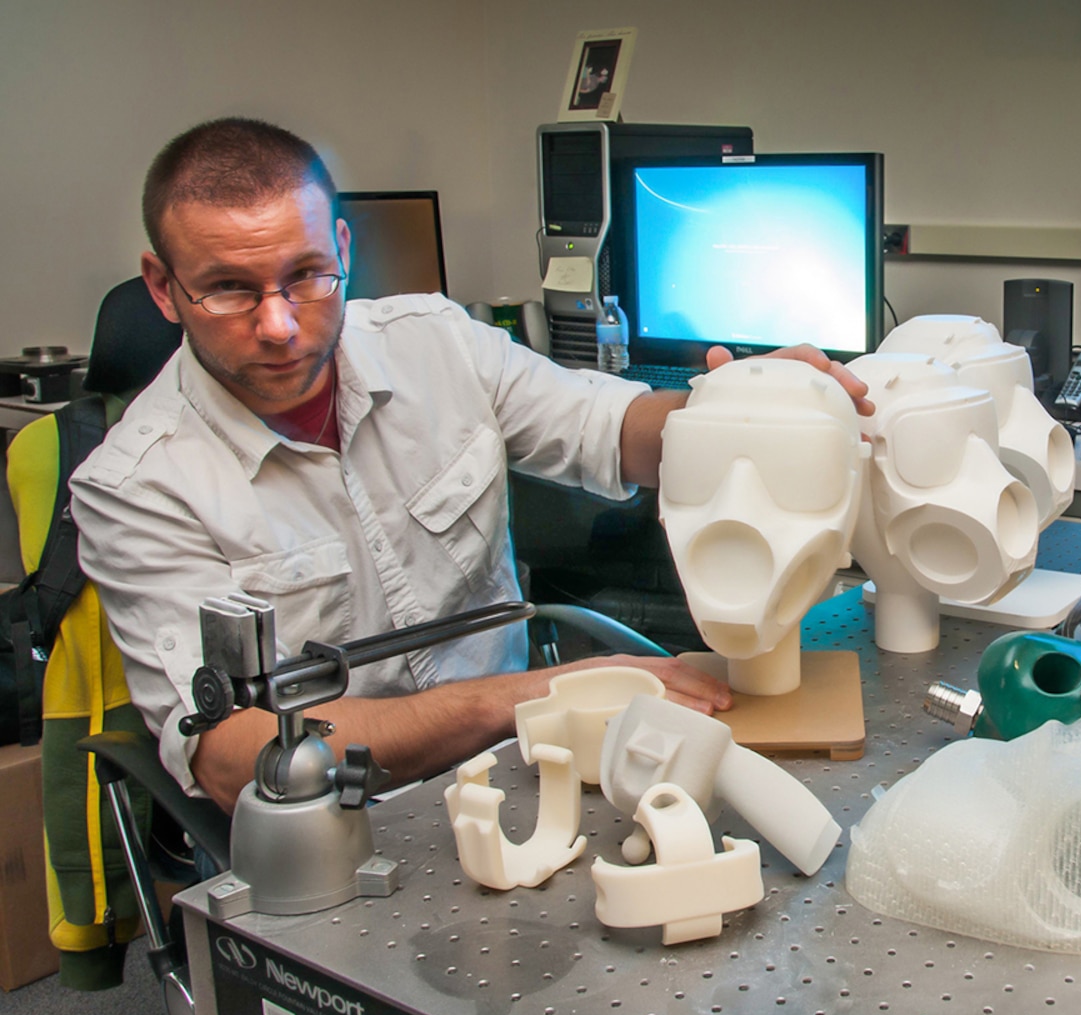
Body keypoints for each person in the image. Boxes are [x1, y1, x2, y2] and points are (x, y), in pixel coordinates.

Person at [70, 117, 871, 814]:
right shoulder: (137, 488)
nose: (279, 325)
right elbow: (232, 755)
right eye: (229, 290)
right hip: (337, 820)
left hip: (520, 770)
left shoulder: (436, 343)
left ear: (342, 247)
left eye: (305, 276)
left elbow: (617, 428)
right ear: (163, 289)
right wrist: (529, 697)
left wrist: (747, 407)